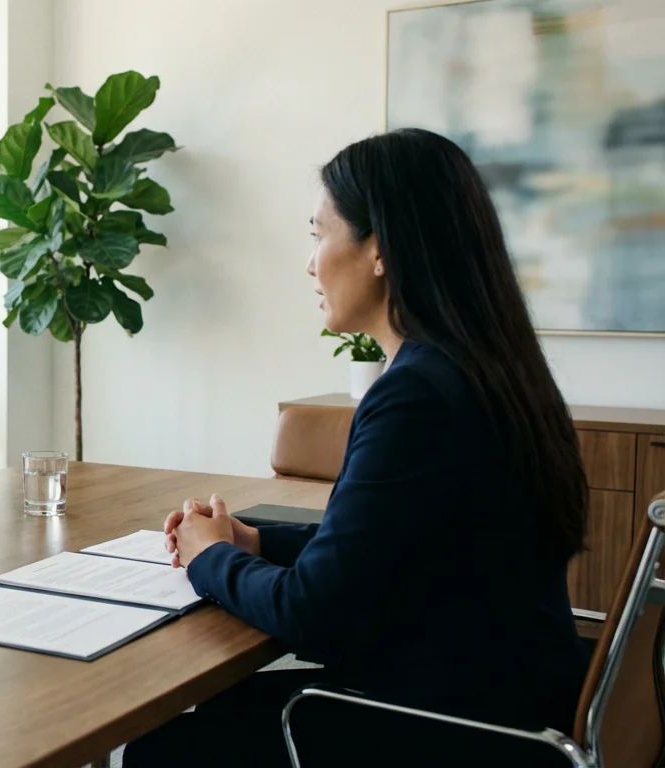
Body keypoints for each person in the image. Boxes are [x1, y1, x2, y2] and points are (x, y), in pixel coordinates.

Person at [130, 129, 590, 767]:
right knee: (221, 715)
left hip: (446, 727)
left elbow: (312, 614)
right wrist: (256, 543)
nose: (310, 262)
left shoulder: (416, 397)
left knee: (167, 749)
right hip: (512, 703)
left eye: (319, 234)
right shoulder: (491, 372)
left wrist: (209, 558)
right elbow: (398, 547)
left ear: (380, 250)